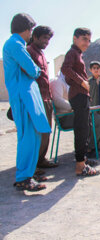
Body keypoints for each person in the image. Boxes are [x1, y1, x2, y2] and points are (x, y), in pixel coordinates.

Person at [3, 13, 51, 191]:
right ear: (24, 29)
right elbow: (33, 70)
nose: (31, 33)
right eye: (30, 29)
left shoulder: (16, 44)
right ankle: (24, 177)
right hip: (24, 97)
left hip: (25, 96)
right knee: (28, 137)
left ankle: (28, 174)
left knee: (32, 135)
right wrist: (36, 70)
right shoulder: (15, 44)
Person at [61, 27, 100, 176]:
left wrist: (78, 81)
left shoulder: (78, 54)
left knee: (86, 127)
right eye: (84, 39)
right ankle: (80, 166)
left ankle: (82, 160)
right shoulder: (72, 53)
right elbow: (65, 69)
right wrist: (82, 82)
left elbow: (67, 76)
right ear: (75, 38)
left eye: (89, 40)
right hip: (78, 95)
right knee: (82, 129)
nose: (87, 43)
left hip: (81, 95)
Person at [50, 72, 100, 159]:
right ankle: (87, 149)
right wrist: (77, 107)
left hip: (72, 114)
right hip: (64, 117)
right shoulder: (56, 81)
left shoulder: (69, 81)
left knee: (97, 118)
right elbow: (57, 100)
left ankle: (88, 147)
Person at [27, 25, 58, 169]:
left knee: (46, 131)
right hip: (36, 99)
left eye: (49, 39)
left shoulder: (41, 53)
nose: (47, 41)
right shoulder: (29, 52)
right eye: (44, 38)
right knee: (36, 134)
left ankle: (41, 160)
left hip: (46, 98)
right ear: (35, 37)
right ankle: (33, 165)